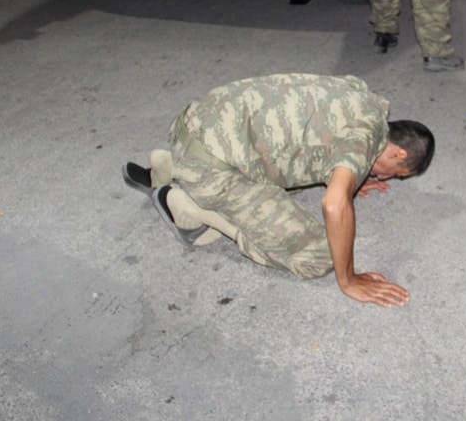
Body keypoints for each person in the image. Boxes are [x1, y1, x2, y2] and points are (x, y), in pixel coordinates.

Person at [122, 74, 435, 308]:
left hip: (192, 123)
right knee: (320, 255)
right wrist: (349, 280)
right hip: (211, 165)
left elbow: (319, 135)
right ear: (398, 154)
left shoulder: (366, 101)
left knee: (297, 169)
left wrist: (356, 175)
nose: (385, 178)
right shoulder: (363, 140)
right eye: (394, 175)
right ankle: (188, 204)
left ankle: (171, 163)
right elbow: (334, 205)